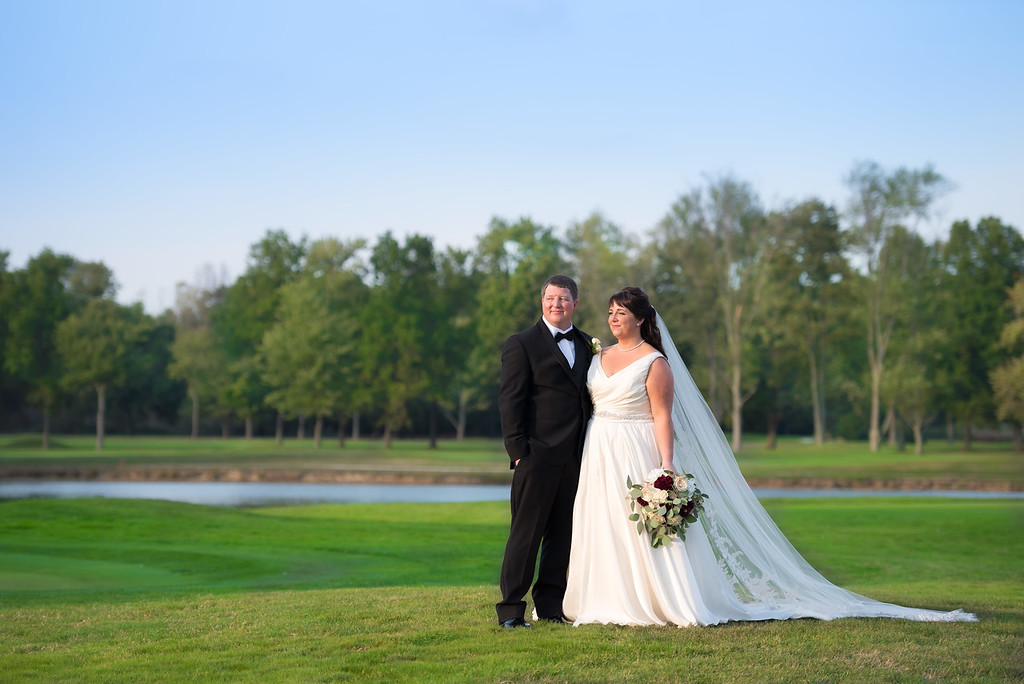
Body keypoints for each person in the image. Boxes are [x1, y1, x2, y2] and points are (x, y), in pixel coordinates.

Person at [563, 287, 976, 626]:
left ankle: (655, 600)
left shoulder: (655, 363)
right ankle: (604, 597)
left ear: (639, 318)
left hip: (637, 448)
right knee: (603, 520)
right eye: (611, 312)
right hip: (599, 448)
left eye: (621, 312)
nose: (613, 317)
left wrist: (666, 466)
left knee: (640, 528)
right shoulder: (598, 357)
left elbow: (662, 417)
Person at [495, 275, 594, 629]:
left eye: (564, 299)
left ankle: (551, 608)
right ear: (542, 302)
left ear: (575, 304)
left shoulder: (586, 344)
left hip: (576, 458)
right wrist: (519, 451)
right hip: (535, 456)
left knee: (562, 535)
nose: (557, 304)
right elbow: (510, 401)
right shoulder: (521, 343)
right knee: (526, 535)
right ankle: (510, 611)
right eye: (551, 298)